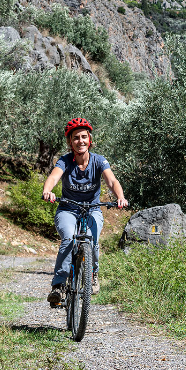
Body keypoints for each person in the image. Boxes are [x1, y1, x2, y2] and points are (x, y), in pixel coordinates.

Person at [42, 117, 127, 306]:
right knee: (69, 238)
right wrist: (47, 191)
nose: (80, 141)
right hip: (68, 209)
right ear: (70, 142)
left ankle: (92, 274)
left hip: (92, 210)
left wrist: (120, 197)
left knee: (92, 240)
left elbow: (111, 181)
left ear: (89, 139)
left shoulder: (99, 161)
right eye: (75, 138)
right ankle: (59, 286)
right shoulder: (65, 161)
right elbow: (54, 177)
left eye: (83, 137)